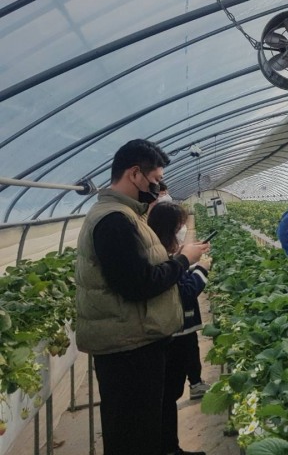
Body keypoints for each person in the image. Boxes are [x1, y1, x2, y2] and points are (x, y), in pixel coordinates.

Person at [75, 139, 208, 455]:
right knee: (133, 437)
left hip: (135, 340)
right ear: (135, 173)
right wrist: (185, 260)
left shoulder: (127, 215)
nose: (158, 187)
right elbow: (137, 284)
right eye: (155, 180)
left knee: (143, 428)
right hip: (127, 348)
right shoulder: (114, 220)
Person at [148, 202, 212, 455]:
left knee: (168, 395)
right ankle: (168, 449)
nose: (183, 230)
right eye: (179, 226)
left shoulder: (161, 252)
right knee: (168, 394)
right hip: (176, 332)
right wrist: (202, 270)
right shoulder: (163, 257)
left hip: (173, 331)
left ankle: (171, 447)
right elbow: (184, 292)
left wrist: (189, 263)